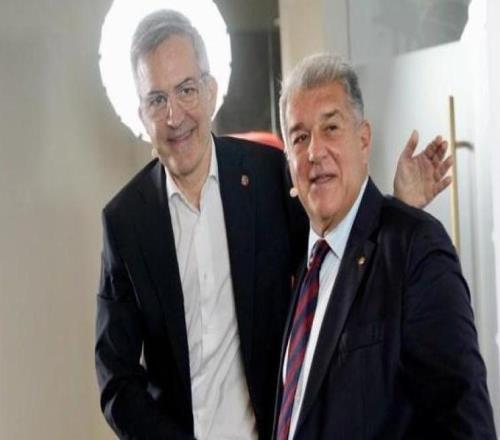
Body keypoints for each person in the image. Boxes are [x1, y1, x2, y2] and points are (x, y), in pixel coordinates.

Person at [95, 10, 452, 440]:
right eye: (157, 100)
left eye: (186, 90)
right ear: (141, 113)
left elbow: (340, 247)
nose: (174, 116)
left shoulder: (268, 173)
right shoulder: (124, 222)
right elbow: (116, 379)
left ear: (210, 91)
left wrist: (400, 206)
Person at [273, 53, 496, 440]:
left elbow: (465, 424)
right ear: (289, 160)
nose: (314, 152)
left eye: (331, 128)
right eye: (300, 137)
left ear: (363, 140)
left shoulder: (414, 247)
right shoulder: (301, 268)